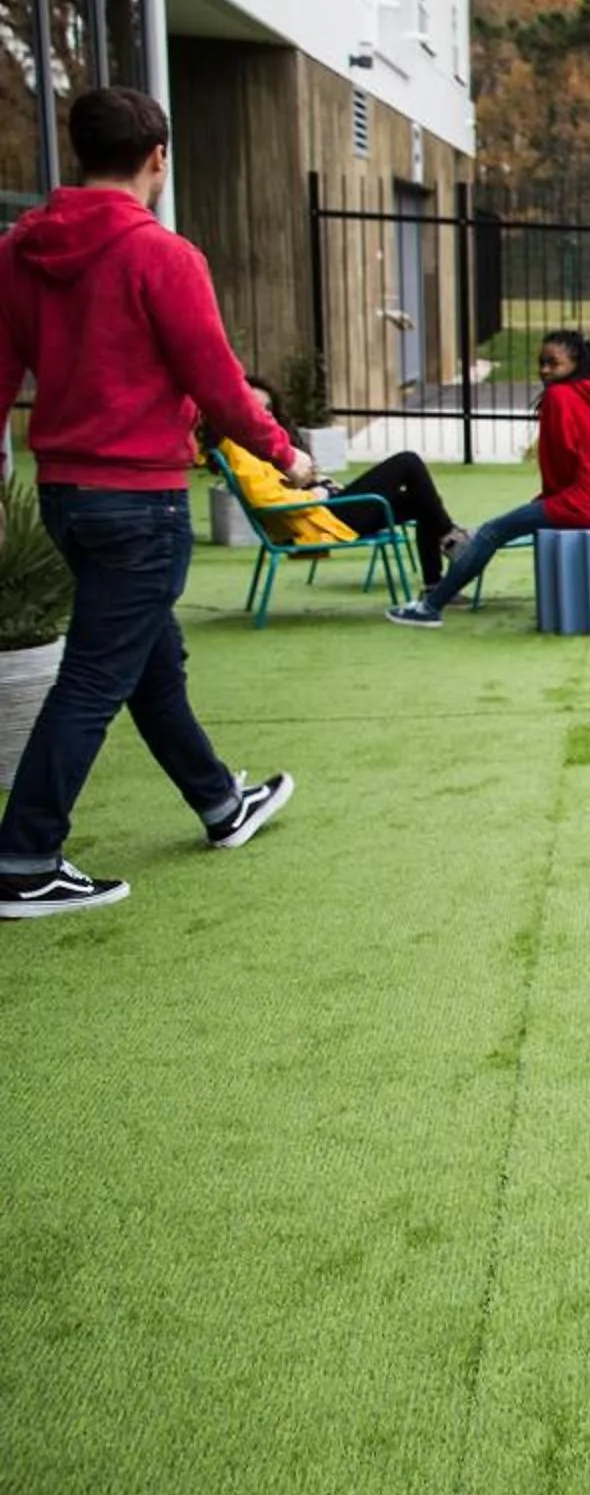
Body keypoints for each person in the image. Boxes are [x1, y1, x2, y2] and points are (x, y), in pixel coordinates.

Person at [0, 86, 306, 917]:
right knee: (99, 674)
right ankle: (24, 857)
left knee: (150, 663)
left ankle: (218, 803)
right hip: (139, 503)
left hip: (65, 495)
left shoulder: (20, 248)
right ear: (158, 157)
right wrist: (287, 455)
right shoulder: (163, 257)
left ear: (77, 152)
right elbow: (219, 385)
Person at [386, 329, 590, 627]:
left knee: (491, 532)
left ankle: (431, 606)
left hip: (589, 503)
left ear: (575, 361)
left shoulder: (560, 396)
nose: (544, 370)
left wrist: (547, 502)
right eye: (541, 362)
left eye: (553, 363)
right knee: (516, 522)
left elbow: (559, 461)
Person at [217, 374, 470, 587]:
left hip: (327, 509)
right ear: (239, 409)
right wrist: (317, 495)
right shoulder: (239, 447)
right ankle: (451, 538)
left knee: (419, 501)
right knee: (407, 462)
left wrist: (318, 482)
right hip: (321, 518)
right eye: (255, 408)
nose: (264, 416)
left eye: (268, 409)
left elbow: (284, 484)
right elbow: (265, 500)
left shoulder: (268, 443)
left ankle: (434, 587)